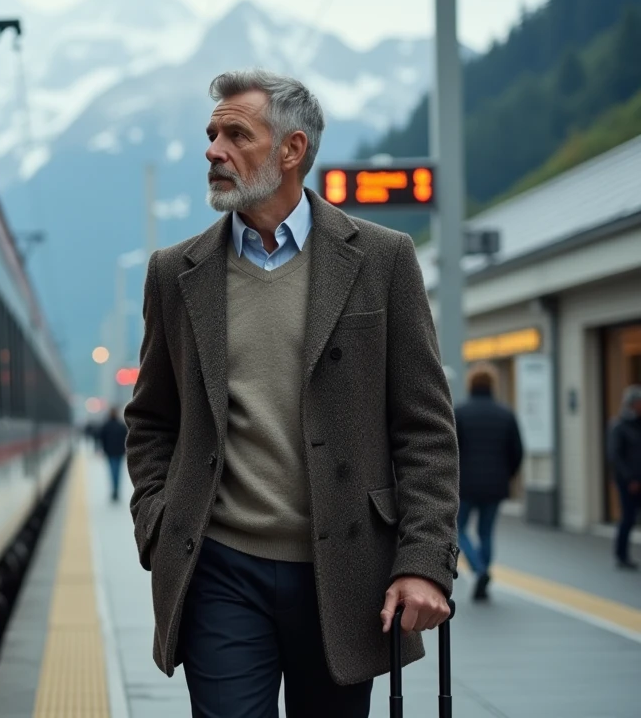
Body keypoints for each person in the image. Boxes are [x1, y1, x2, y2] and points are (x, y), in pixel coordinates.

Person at [124, 68, 459, 718]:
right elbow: (150, 421)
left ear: (291, 150)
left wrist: (424, 560)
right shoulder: (175, 273)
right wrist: (157, 524)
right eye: (211, 134)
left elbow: (425, 429)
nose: (213, 151)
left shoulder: (383, 260)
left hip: (346, 572)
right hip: (219, 566)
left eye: (235, 134)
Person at [454, 364, 523, 600]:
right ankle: (484, 570)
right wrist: (507, 475)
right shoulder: (505, 413)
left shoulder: (460, 412)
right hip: (496, 485)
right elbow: (517, 451)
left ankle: (478, 569)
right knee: (486, 531)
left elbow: (451, 450)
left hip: (466, 485)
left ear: (470, 385)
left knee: (457, 529)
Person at [607, 384, 641, 570]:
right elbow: (615, 456)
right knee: (627, 518)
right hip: (628, 482)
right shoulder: (619, 425)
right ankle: (621, 555)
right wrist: (630, 479)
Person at [96, 407, 128, 503]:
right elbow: (126, 439)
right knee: (118, 472)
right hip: (119, 452)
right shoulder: (121, 425)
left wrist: (101, 449)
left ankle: (114, 491)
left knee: (112, 472)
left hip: (109, 452)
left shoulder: (106, 425)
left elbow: (101, 438)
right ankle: (116, 491)